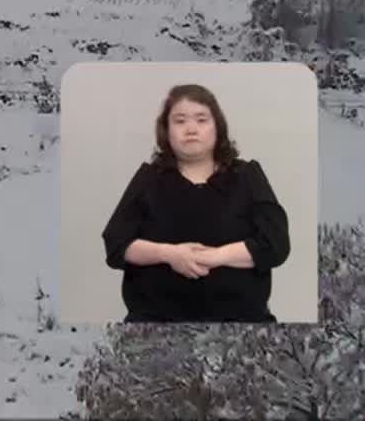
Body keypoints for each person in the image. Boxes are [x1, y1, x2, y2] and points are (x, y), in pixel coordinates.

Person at [100, 83, 290, 322]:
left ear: (217, 128)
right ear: (166, 131)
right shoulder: (149, 179)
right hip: (155, 324)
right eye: (180, 121)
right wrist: (168, 254)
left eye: (202, 120)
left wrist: (215, 256)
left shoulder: (247, 176)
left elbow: (275, 244)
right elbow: (116, 244)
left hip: (242, 325)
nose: (191, 129)